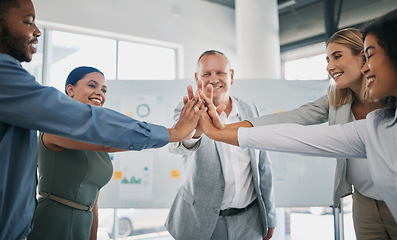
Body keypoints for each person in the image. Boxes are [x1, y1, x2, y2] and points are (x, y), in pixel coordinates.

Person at [0, 0, 205, 239]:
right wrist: (173, 133)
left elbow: (103, 156)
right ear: (69, 90)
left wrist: (188, 133)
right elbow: (97, 131)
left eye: (104, 89)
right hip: (52, 224)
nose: (37, 31)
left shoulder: (16, 83)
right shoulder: (49, 122)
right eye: (28, 21)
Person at [199, 8, 397, 233]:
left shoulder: (387, 106)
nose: (330, 67)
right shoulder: (337, 102)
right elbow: (291, 122)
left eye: (337, 56)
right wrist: (223, 129)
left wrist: (220, 131)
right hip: (364, 201)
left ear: (362, 56)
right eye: (327, 59)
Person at [166, 50, 277, 240]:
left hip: (248, 222)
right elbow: (173, 146)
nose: (214, 79)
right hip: (201, 222)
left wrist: (270, 216)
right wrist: (192, 133)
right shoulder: (188, 110)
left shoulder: (251, 109)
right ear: (197, 78)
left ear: (231, 76)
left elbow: (263, 166)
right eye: (206, 74)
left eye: (220, 73)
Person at [27, 66, 124, 240]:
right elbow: (106, 145)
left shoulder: (95, 136)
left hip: (84, 221)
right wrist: (170, 135)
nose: (99, 93)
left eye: (104, 89)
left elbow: (93, 202)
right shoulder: (55, 126)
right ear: (70, 90)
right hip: (54, 220)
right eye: (92, 85)